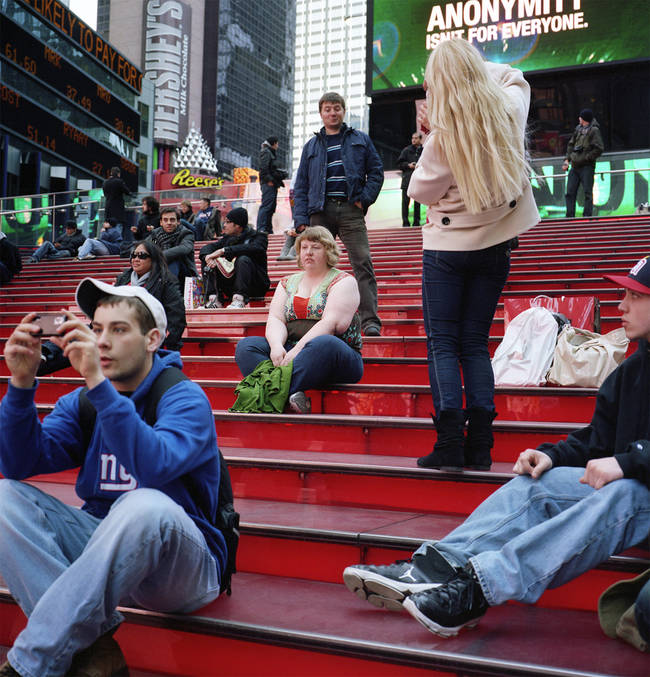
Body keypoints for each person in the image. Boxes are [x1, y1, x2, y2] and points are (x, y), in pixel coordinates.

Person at [344, 256, 650, 639]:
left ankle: (478, 589)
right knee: (540, 481)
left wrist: (628, 461)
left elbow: (622, 461)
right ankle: (434, 569)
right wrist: (551, 455)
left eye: (635, 296)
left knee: (625, 490)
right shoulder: (631, 372)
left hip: (637, 496)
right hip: (634, 498)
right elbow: (596, 440)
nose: (621, 305)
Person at [0, 280, 228, 676]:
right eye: (97, 328)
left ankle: (32, 663)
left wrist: (99, 387)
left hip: (181, 571)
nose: (102, 342)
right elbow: (18, 465)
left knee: (145, 504)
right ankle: (95, 647)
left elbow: (153, 468)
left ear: (153, 339)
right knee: (4, 498)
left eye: (119, 330)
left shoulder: (184, 398)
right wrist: (20, 384)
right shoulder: (83, 402)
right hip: (109, 559)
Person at [406, 40, 539, 471]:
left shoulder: (443, 137)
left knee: (443, 344)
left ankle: (448, 443)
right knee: (475, 344)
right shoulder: (511, 109)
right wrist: (473, 67)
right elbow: (515, 77)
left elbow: (419, 191)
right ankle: (481, 444)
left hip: (447, 251)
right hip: (496, 246)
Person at [235, 226, 363, 414]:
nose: (308, 252)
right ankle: (291, 395)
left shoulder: (344, 281)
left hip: (333, 355)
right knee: (247, 346)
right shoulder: (287, 282)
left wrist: (297, 350)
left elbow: (331, 325)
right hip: (291, 351)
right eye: (304, 247)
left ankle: (263, 394)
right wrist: (277, 346)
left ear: (328, 250)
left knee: (325, 343)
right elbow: (276, 318)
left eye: (316, 247)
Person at [293, 92, 384, 337]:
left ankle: (370, 321)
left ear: (343, 111)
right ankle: (314, 321)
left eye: (336, 108)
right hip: (319, 212)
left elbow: (376, 172)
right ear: (321, 113)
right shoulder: (311, 146)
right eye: (327, 109)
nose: (332, 113)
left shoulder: (360, 140)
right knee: (314, 267)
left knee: (362, 262)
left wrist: (363, 200)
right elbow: (301, 184)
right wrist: (300, 220)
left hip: (350, 210)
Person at [115, 240, 187, 352]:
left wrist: (165, 345)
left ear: (153, 259)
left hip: (149, 342)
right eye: (134, 255)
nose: (136, 259)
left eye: (142, 256)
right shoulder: (123, 279)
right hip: (120, 338)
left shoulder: (166, 281)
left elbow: (177, 316)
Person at [199, 207, 269, 309]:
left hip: (255, 285)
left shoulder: (258, 237)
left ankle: (239, 300)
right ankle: (214, 300)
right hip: (232, 284)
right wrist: (208, 257)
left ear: (237, 225)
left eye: (227, 222)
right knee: (208, 260)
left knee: (243, 259)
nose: (224, 225)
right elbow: (207, 248)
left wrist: (223, 250)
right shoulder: (228, 238)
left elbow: (254, 248)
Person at [563, 108, 604, 218]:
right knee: (570, 192)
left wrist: (587, 157)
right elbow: (571, 144)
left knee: (587, 193)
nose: (579, 119)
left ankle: (587, 216)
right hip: (575, 166)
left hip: (587, 167)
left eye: (580, 117)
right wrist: (567, 159)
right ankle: (570, 216)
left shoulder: (594, 130)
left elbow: (599, 148)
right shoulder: (578, 129)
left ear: (584, 119)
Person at [147, 206, 197, 293]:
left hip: (184, 274)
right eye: (165, 220)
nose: (169, 223)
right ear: (161, 222)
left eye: (172, 220)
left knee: (174, 260)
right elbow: (142, 246)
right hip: (160, 268)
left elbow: (185, 248)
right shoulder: (156, 233)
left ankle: (169, 293)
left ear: (178, 222)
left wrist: (159, 256)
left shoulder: (186, 233)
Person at [257, 136, 288, 234]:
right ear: (274, 143)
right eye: (277, 144)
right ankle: (261, 228)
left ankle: (267, 229)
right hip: (268, 184)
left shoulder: (269, 152)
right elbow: (264, 169)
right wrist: (269, 180)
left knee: (270, 207)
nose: (278, 146)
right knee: (266, 206)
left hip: (272, 183)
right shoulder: (266, 152)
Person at [397, 133, 423, 227]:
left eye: (416, 138)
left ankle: (417, 222)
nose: (414, 140)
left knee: (417, 203)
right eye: (412, 138)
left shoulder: (423, 151)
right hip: (407, 181)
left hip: (419, 181)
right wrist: (408, 165)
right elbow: (399, 164)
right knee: (405, 202)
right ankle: (405, 222)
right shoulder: (406, 150)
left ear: (420, 139)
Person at [102, 167, 131, 234]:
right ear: (118, 174)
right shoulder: (119, 181)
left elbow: (105, 194)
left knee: (108, 230)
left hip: (108, 209)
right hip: (118, 210)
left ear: (111, 173)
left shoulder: (105, 182)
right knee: (118, 229)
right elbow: (127, 192)